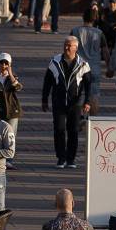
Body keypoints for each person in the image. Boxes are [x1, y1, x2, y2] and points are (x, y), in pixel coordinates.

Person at [42, 36, 93, 169]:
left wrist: (87, 101)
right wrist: (44, 99)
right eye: (65, 45)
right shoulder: (55, 62)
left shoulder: (83, 64)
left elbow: (88, 85)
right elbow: (47, 81)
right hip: (58, 102)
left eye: (70, 46)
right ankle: (61, 158)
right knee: (59, 129)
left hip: (75, 103)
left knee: (73, 131)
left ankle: (71, 159)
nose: (67, 48)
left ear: (76, 48)